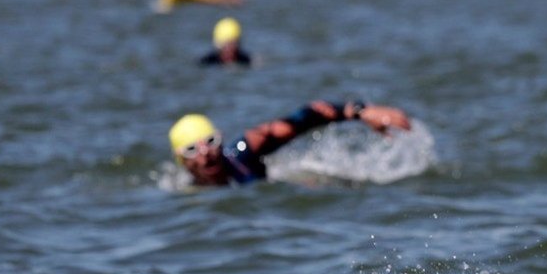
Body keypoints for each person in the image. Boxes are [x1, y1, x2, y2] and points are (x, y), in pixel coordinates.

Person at [167, 98, 411, 186]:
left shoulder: (244, 150)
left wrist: (361, 112)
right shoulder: (183, 195)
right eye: (191, 149)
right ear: (181, 160)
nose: (206, 153)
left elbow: (306, 116)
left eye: (211, 141)